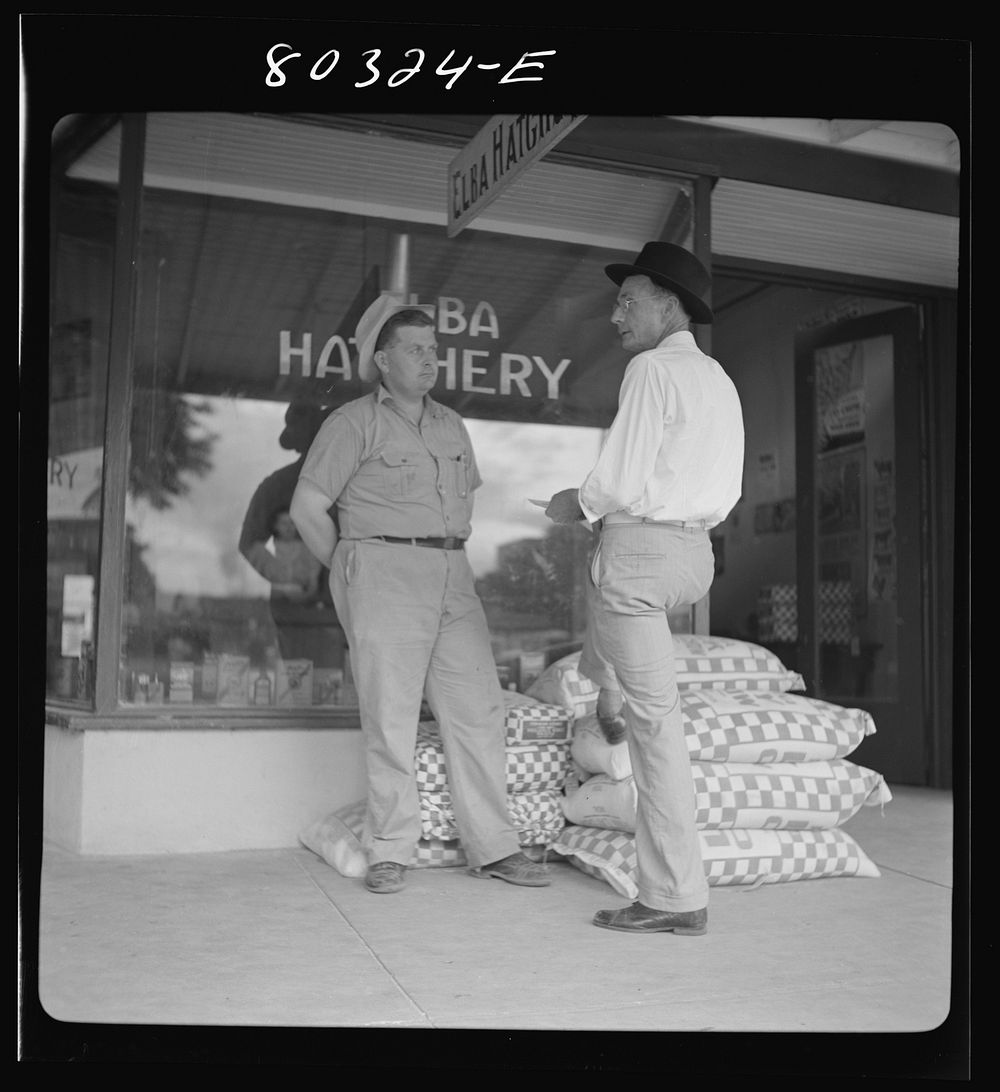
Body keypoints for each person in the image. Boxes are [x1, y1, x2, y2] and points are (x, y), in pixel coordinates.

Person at [290, 291, 549, 894]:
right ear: (382, 361)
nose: (430, 361)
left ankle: (495, 847)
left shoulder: (451, 423)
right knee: (391, 717)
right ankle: (390, 850)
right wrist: (351, 569)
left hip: (452, 573)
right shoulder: (353, 422)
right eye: (414, 350)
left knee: (479, 712)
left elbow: (464, 501)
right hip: (382, 571)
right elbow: (307, 509)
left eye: (434, 350)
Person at [544, 242, 744, 935]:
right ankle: (607, 690)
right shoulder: (717, 378)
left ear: (668, 304)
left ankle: (674, 896)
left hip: (644, 553)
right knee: (609, 572)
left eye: (627, 300)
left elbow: (620, 480)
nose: (614, 315)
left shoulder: (651, 369)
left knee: (658, 732)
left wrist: (575, 499)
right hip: (693, 556)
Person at [239, 401, 347, 668]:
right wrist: (290, 579)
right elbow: (250, 544)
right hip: (299, 617)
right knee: (302, 691)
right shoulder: (277, 487)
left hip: (351, 611)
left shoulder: (355, 486)